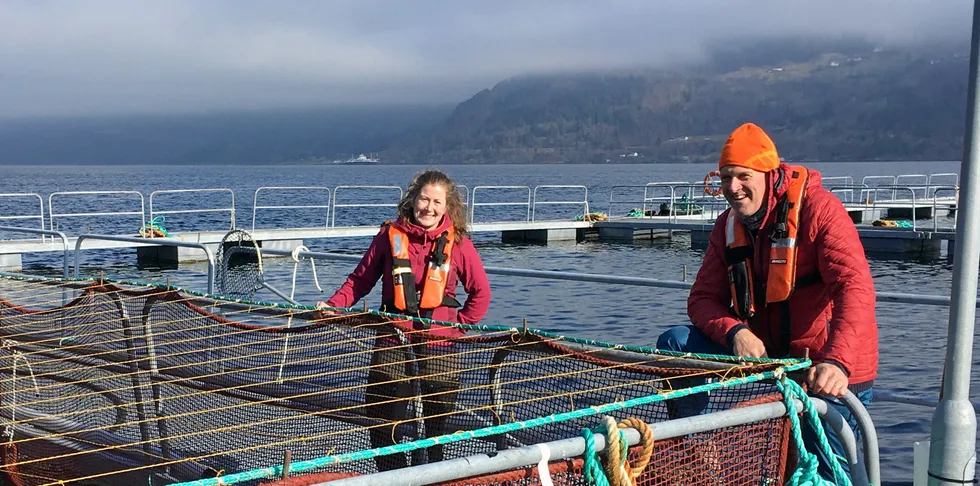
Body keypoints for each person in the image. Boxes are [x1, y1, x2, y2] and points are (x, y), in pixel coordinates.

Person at [656, 122, 878, 482]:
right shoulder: (728, 225)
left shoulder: (820, 210)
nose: (733, 188)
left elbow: (856, 288)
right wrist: (734, 332)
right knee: (675, 343)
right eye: (726, 177)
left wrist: (837, 363)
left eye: (744, 176)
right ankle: (692, 449)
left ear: (769, 173)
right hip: (768, 356)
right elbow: (701, 299)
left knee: (827, 471)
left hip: (827, 366)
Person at [315, 169, 491, 471]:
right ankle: (393, 477)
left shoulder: (459, 244)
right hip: (393, 343)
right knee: (384, 425)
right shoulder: (389, 237)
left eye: (437, 202)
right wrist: (333, 306)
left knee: (434, 434)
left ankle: (431, 477)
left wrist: (456, 327)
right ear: (413, 200)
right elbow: (360, 281)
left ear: (447, 207)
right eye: (424, 199)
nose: (429, 208)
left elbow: (481, 293)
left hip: (440, 349)